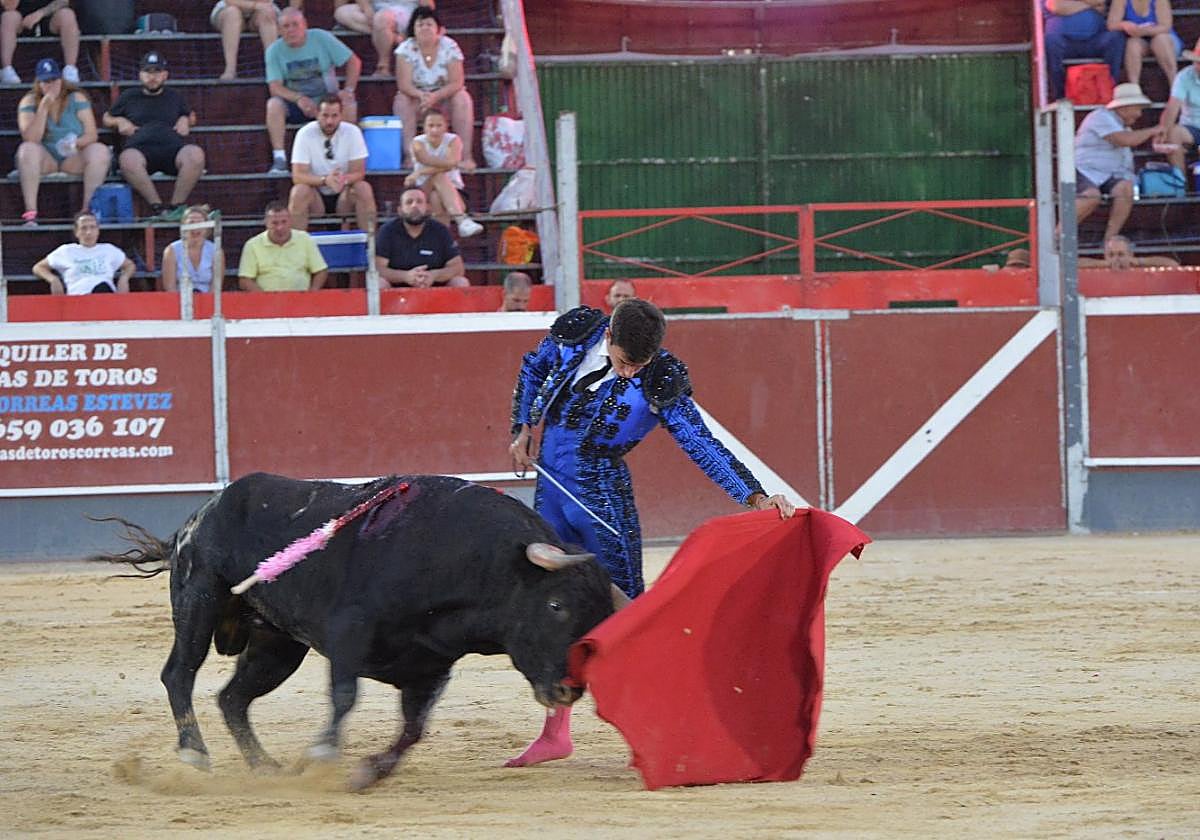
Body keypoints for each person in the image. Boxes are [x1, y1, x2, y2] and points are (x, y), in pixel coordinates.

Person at [505, 299, 796, 767]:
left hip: (603, 499)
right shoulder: (578, 332)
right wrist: (522, 426)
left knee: (627, 618)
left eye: (638, 366)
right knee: (557, 608)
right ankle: (556, 734)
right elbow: (533, 367)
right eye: (623, 362)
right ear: (608, 336)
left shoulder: (660, 377)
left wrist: (754, 496)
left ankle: (656, 729)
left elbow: (699, 442)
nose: (628, 373)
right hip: (552, 491)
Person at [102, 52, 205, 222]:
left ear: (165, 75)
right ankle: (157, 207)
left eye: (157, 72)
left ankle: (176, 207)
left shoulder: (175, 96)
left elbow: (191, 115)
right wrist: (119, 121)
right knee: (127, 159)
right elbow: (107, 117)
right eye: (148, 72)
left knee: (195, 154)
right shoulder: (129, 96)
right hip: (140, 150)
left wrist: (186, 119)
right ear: (140, 75)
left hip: (173, 151)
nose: (152, 77)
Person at [14, 57, 110, 226]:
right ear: (38, 83)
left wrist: (75, 143)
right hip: (45, 159)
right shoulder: (28, 101)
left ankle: (87, 212)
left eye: (54, 80)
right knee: (26, 149)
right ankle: (31, 214)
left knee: (100, 151)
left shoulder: (77, 98)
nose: (51, 85)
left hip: (73, 157)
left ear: (61, 80)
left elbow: (92, 135)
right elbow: (31, 138)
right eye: (46, 82)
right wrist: (43, 108)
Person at [264, 8, 361, 175]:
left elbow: (354, 61)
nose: (291, 30)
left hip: (327, 100)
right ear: (279, 30)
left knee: (349, 104)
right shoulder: (274, 51)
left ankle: (347, 158)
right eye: (286, 26)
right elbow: (275, 87)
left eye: (295, 24)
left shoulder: (321, 38)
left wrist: (348, 89)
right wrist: (299, 98)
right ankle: (280, 159)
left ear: (305, 25)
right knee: (273, 105)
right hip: (295, 104)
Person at [1075, 83, 1160, 243]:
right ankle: (1058, 235)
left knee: (1126, 188)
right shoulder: (1100, 117)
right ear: (1124, 107)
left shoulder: (1122, 126)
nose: (1139, 114)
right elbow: (1124, 140)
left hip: (1109, 174)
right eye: (1137, 108)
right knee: (1091, 197)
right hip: (1083, 170)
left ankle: (1110, 241)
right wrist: (1153, 131)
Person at [392, 7, 476, 170]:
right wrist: (422, 95)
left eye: (429, 24)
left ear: (438, 29)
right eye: (420, 24)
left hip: (445, 97)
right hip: (418, 99)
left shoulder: (449, 46)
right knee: (402, 100)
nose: (424, 28)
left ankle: (465, 156)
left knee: (463, 98)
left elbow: (457, 82)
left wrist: (436, 96)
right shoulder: (405, 48)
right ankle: (410, 156)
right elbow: (404, 85)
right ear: (413, 29)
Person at [288, 94, 376, 232]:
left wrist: (341, 179)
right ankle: (295, 244)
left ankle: (371, 242)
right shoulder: (304, 134)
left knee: (363, 188)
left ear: (341, 115)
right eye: (325, 115)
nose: (329, 121)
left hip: (344, 194)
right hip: (316, 196)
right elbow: (298, 176)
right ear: (317, 114)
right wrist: (325, 180)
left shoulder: (353, 132)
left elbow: (359, 173)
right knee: (298, 191)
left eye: (334, 116)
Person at [404, 107, 482, 237]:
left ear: (446, 126)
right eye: (431, 126)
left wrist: (420, 172)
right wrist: (454, 164)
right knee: (438, 176)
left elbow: (450, 163)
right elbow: (427, 159)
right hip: (424, 188)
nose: (435, 130)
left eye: (439, 125)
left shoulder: (454, 140)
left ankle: (443, 239)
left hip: (453, 190)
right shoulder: (417, 143)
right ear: (424, 127)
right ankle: (461, 220)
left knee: (436, 196)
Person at [375, 187, 469, 287]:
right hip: (397, 289)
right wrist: (405, 276)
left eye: (419, 202)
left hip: (435, 288)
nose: (414, 206)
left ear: (428, 208)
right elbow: (378, 269)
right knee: (379, 283)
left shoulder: (440, 230)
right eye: (409, 202)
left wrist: (433, 275)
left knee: (460, 282)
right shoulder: (388, 231)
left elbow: (457, 268)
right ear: (400, 210)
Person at [32, 210, 135, 295]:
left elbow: (129, 265)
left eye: (92, 227)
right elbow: (38, 267)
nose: (88, 232)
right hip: (78, 299)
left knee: (102, 288)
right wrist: (53, 280)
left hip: (105, 297)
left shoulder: (109, 250)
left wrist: (124, 278)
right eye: (83, 228)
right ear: (76, 232)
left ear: (98, 230)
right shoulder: (66, 251)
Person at [1043, 0, 1125, 102]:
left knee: (1115, 38)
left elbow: (1100, 1)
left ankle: (1109, 91)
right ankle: (1061, 97)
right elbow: (1056, 6)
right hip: (1064, 43)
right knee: (1051, 41)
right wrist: (1090, 5)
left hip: (1095, 40)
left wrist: (1071, 4)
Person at [237, 201, 328, 291]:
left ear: (290, 220)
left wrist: (312, 294)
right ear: (266, 222)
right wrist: (263, 297)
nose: (280, 227)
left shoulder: (305, 239)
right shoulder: (252, 245)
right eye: (274, 223)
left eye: (284, 222)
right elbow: (245, 279)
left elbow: (321, 271)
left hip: (301, 297)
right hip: (267, 298)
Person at [333, 0, 432, 76]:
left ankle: (383, 66)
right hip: (376, 8)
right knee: (341, 12)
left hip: (405, 10)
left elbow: (428, 5)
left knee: (382, 18)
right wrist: (367, 8)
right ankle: (393, 36)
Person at [211, 0, 301, 82]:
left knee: (267, 13)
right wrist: (255, 5)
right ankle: (230, 70)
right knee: (232, 13)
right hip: (228, 9)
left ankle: (274, 68)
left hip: (262, 11)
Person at [0, 0, 80, 85]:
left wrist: (40, 13)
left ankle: (70, 69)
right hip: (21, 20)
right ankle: (7, 70)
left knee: (67, 15)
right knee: (9, 17)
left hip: (49, 17)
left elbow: (64, 2)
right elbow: (8, 7)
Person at [1108, 0, 1182, 87]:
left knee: (1160, 40)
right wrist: (1124, 25)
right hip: (1140, 40)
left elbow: (1166, 26)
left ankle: (1174, 85)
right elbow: (1111, 25)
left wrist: (1144, 31)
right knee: (1132, 44)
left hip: (1164, 39)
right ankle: (1134, 87)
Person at [1156, 38, 1200, 172]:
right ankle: (1181, 181)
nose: (1198, 66)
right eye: (1197, 62)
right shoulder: (1184, 76)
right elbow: (1172, 108)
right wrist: (1162, 132)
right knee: (1173, 133)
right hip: (1192, 126)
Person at [161, 205, 225, 293]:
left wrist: (208, 301)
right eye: (191, 223)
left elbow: (216, 286)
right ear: (183, 226)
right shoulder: (171, 250)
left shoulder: (216, 251)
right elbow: (170, 287)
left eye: (200, 223)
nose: (195, 227)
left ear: (207, 227)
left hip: (208, 298)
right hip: (180, 297)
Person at [1078, 234, 1182, 268]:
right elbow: (1073, 266)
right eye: (1111, 255)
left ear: (1130, 254)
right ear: (1105, 255)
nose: (1116, 259)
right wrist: (1104, 264)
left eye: (1121, 254)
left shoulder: (1136, 265)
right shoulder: (1100, 268)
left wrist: (1138, 261)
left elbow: (1173, 264)